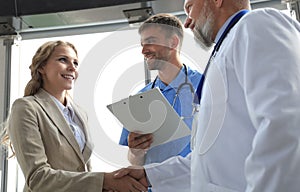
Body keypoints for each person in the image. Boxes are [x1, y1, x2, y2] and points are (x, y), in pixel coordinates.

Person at [114, 0, 300, 191]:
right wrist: (149, 174)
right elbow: (206, 161)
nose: (186, 22)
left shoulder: (257, 25)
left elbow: (286, 127)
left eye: (190, 7)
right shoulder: (225, 50)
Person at [1, 40, 147, 192]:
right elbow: (38, 178)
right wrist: (105, 181)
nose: (72, 68)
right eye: (63, 60)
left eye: (75, 63)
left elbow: (83, 174)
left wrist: (112, 184)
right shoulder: (26, 108)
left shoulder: (80, 114)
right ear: (42, 67)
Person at [119, 13, 202, 166]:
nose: (144, 51)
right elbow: (135, 162)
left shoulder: (203, 86)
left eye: (150, 41)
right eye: (142, 44)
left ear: (173, 42)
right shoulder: (141, 98)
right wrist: (136, 151)